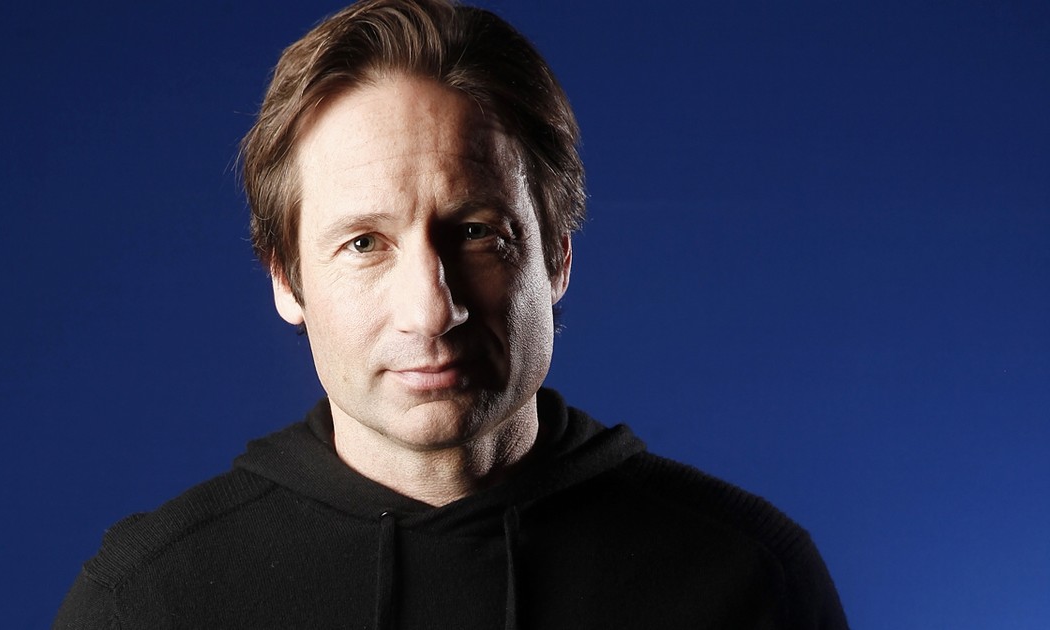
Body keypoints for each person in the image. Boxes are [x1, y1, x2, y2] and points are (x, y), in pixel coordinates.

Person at [53, 0, 848, 628]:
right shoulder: (147, 603)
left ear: (557, 256)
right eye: (365, 243)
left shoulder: (750, 581)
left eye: (475, 233)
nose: (432, 311)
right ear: (286, 280)